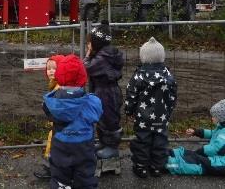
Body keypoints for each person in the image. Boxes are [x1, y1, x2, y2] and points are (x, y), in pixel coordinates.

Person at [43, 54, 102, 189]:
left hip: (61, 146)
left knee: (60, 176)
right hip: (84, 146)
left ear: (59, 76)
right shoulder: (92, 102)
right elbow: (97, 113)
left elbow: (47, 110)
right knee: (86, 176)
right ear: (82, 78)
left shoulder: (52, 102)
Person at [125, 37, 177, 178]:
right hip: (161, 117)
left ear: (143, 57)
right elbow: (173, 97)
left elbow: (131, 94)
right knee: (160, 141)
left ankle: (141, 167)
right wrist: (169, 111)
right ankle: (156, 167)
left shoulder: (138, 77)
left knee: (142, 141)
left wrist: (129, 110)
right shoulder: (169, 76)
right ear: (162, 57)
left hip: (142, 118)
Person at [34, 54, 88, 180]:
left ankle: (52, 169)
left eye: (54, 68)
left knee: (54, 143)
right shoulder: (55, 85)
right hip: (61, 126)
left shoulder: (60, 89)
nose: (51, 71)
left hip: (60, 126)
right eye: (48, 68)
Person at [83, 20, 124, 160]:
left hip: (107, 93)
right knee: (101, 118)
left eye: (90, 43)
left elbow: (86, 68)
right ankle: (104, 142)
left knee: (109, 119)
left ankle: (112, 148)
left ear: (97, 43)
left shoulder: (103, 57)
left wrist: (88, 55)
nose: (88, 45)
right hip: (103, 91)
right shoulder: (104, 55)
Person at [166, 99, 225, 176]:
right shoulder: (221, 128)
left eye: (214, 116)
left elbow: (215, 148)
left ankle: (165, 164)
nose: (212, 118)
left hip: (218, 163)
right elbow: (213, 134)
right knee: (190, 154)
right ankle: (167, 153)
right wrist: (196, 132)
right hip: (215, 158)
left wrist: (201, 151)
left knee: (192, 164)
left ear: (222, 118)